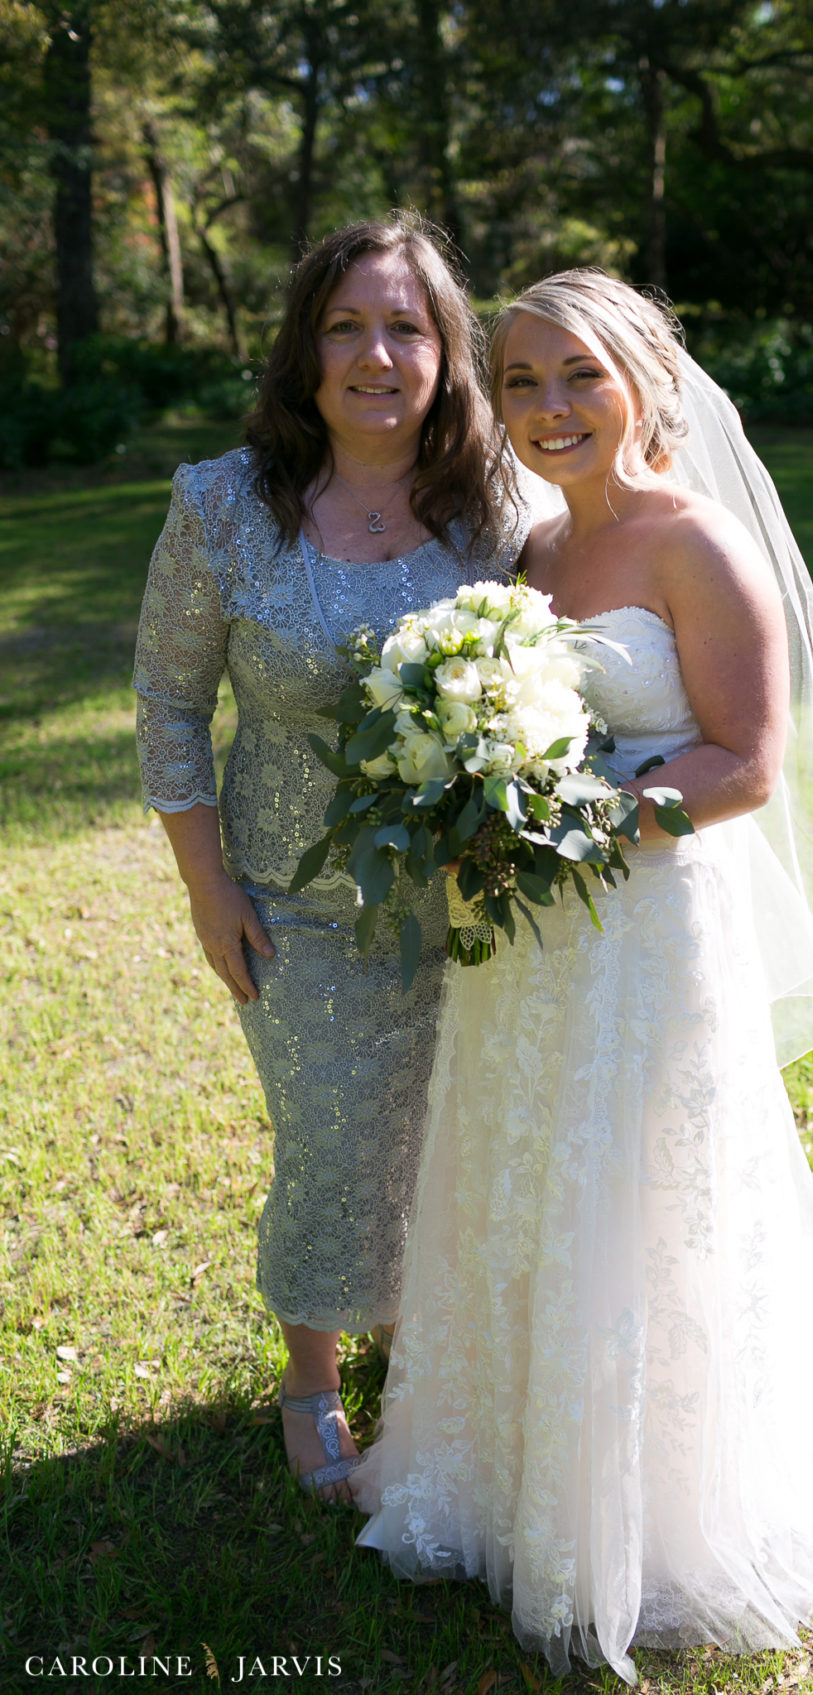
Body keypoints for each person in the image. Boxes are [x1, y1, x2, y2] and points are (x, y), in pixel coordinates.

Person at [350, 271, 813, 1679]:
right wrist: (482, 794)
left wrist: (591, 814)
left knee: (633, 1188)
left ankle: (646, 1503)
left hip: (649, 929)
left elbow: (744, 759)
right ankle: (495, 1457)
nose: (547, 408)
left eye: (576, 375)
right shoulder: (526, 556)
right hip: (527, 937)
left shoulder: (694, 543)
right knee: (523, 1166)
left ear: (645, 379)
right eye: (521, 382)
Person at [132, 214, 514, 1500]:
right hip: (291, 903)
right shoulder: (223, 506)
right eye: (344, 325)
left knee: (451, 1140)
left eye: (405, 325)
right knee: (334, 1141)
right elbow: (170, 705)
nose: (374, 353)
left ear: (446, 353)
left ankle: (424, 1347)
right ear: (304, 353)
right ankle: (310, 1374)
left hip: (471, 907)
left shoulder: (496, 502)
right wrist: (207, 886)